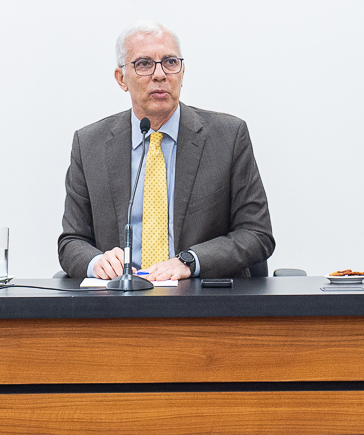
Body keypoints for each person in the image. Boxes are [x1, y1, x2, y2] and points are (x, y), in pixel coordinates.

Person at [59, 22, 275, 281]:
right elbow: (72, 241)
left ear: (182, 73)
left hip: (201, 301)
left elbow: (256, 234)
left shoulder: (227, 137)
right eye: (144, 64)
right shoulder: (90, 144)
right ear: (121, 79)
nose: (160, 75)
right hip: (119, 303)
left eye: (170, 62)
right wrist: (96, 262)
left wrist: (190, 261)